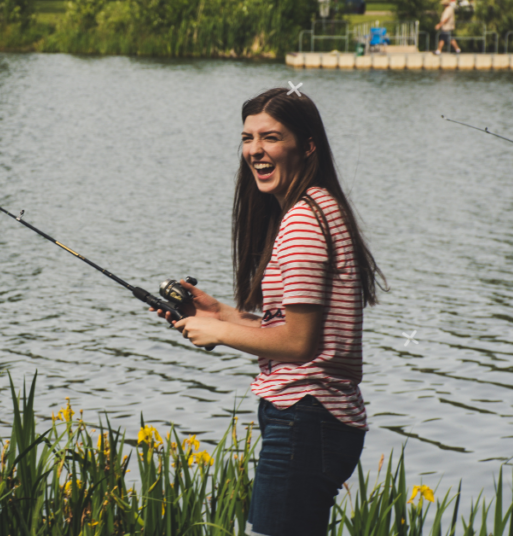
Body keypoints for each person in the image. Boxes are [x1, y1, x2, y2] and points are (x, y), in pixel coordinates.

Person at [153, 87, 387, 536]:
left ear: (307, 145)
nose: (255, 151)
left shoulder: (301, 222)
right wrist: (218, 312)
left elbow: (298, 344)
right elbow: (293, 327)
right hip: (319, 417)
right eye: (247, 138)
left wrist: (217, 333)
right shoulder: (322, 207)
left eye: (270, 138)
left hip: (305, 416)